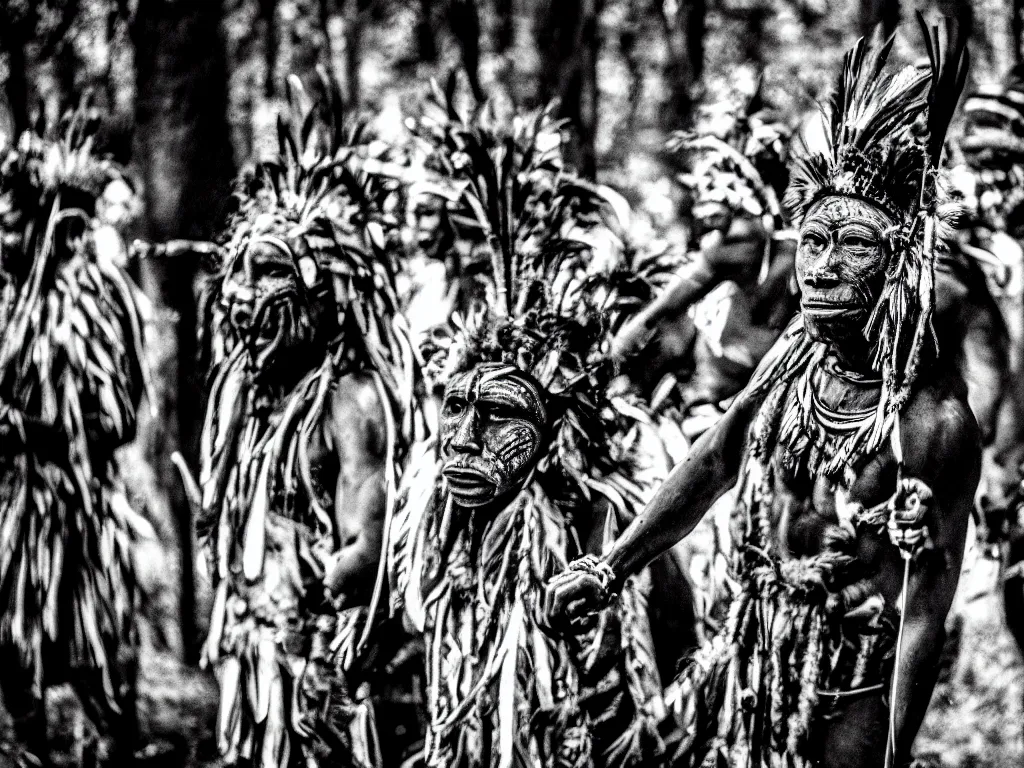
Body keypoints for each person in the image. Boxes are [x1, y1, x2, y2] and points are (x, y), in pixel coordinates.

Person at [542, 20, 979, 767]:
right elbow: (717, 460)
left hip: (853, 677)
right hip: (754, 649)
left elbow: (921, 614)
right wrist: (611, 565)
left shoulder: (930, 423)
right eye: (814, 240)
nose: (824, 265)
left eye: (855, 246)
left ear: (897, 265)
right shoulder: (796, 353)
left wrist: (893, 751)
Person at [386, 101, 693, 768]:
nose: (464, 435)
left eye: (493, 417)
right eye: (455, 409)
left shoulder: (593, 510)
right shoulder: (430, 500)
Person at [193, 76, 425, 768]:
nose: (242, 294)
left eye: (270, 273)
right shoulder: (246, 394)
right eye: (239, 272)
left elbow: (367, 546)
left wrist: (322, 650)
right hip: (252, 653)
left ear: (328, 295)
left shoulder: (351, 400)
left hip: (317, 664)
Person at [0, 105, 150, 766]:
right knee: (14, 649)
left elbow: (123, 418)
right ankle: (31, 753)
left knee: (99, 656)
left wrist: (54, 433)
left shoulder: (103, 301)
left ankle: (115, 742)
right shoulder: (8, 306)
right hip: (13, 513)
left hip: (83, 510)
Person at [612, 85, 798, 413]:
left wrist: (618, 348)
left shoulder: (736, 245)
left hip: (732, 387)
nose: (708, 219)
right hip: (777, 380)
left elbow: (664, 308)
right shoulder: (798, 242)